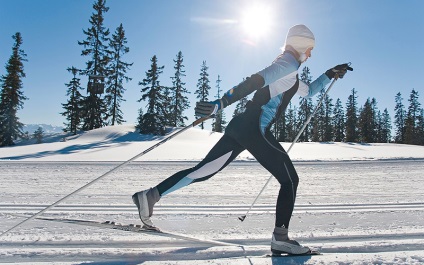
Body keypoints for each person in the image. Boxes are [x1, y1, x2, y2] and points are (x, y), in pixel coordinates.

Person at [132, 24, 352, 255]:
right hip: (254, 127)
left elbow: (308, 91)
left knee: (202, 171)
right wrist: (221, 103)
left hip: (242, 126)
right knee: (290, 181)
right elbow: (255, 81)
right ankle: (281, 238)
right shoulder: (287, 63)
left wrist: (329, 74)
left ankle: (150, 196)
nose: (311, 54)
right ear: (301, 45)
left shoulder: (290, 71)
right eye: (310, 48)